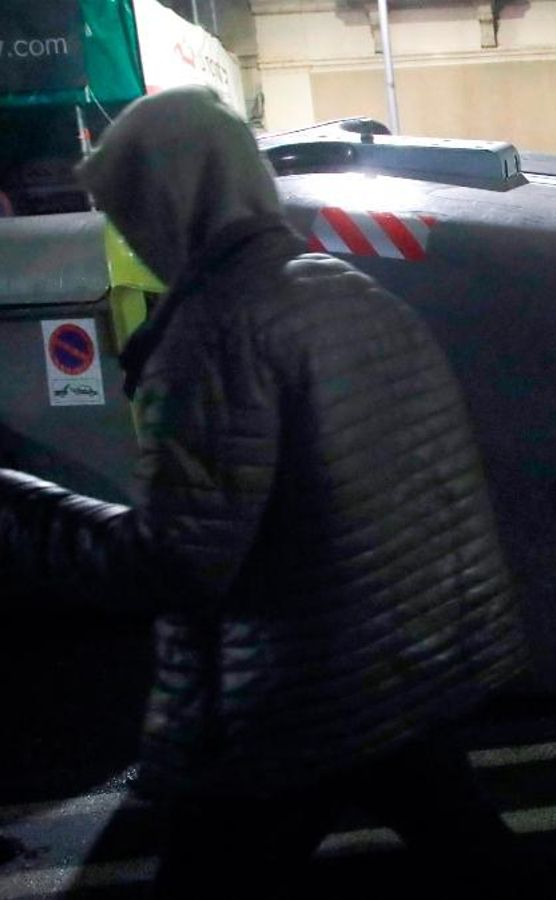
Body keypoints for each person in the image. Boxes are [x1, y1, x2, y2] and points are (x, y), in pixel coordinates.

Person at [0, 86, 527, 896]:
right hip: (404, 656)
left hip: (300, 692)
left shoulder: (215, 331)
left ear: (167, 200)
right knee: (465, 844)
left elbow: (177, 563)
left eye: (127, 206)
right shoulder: (338, 287)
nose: (125, 230)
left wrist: (20, 508)